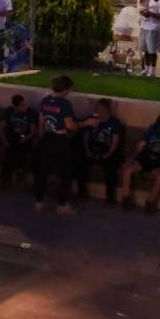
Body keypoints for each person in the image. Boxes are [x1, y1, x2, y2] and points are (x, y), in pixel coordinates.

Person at [34, 75, 94, 215]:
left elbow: (41, 122)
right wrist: (86, 123)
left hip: (47, 138)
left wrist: (43, 136)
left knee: (43, 171)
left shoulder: (45, 100)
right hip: (60, 140)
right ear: (66, 88)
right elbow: (70, 126)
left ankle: (38, 201)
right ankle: (62, 205)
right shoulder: (64, 104)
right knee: (66, 173)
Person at [74, 98, 123, 205]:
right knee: (80, 162)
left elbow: (115, 141)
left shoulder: (114, 123)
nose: (96, 111)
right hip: (92, 150)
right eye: (95, 108)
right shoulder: (92, 120)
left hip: (107, 151)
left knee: (111, 168)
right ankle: (82, 191)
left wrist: (108, 154)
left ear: (107, 110)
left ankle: (110, 198)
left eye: (98, 109)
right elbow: (86, 137)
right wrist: (87, 150)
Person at [0, 94, 37, 189]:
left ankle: (17, 173)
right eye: (22, 105)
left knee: (16, 152)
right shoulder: (9, 111)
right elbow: (0, 127)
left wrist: (23, 139)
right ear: (15, 106)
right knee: (9, 153)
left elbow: (33, 131)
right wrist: (4, 141)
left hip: (25, 139)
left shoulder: (31, 113)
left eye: (25, 104)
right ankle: (6, 180)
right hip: (12, 138)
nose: (25, 107)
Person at [138, 0, 160, 77]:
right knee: (146, 50)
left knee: (152, 51)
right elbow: (143, 7)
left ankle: (152, 71)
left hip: (153, 28)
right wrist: (144, 11)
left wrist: (150, 14)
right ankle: (146, 69)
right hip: (144, 25)